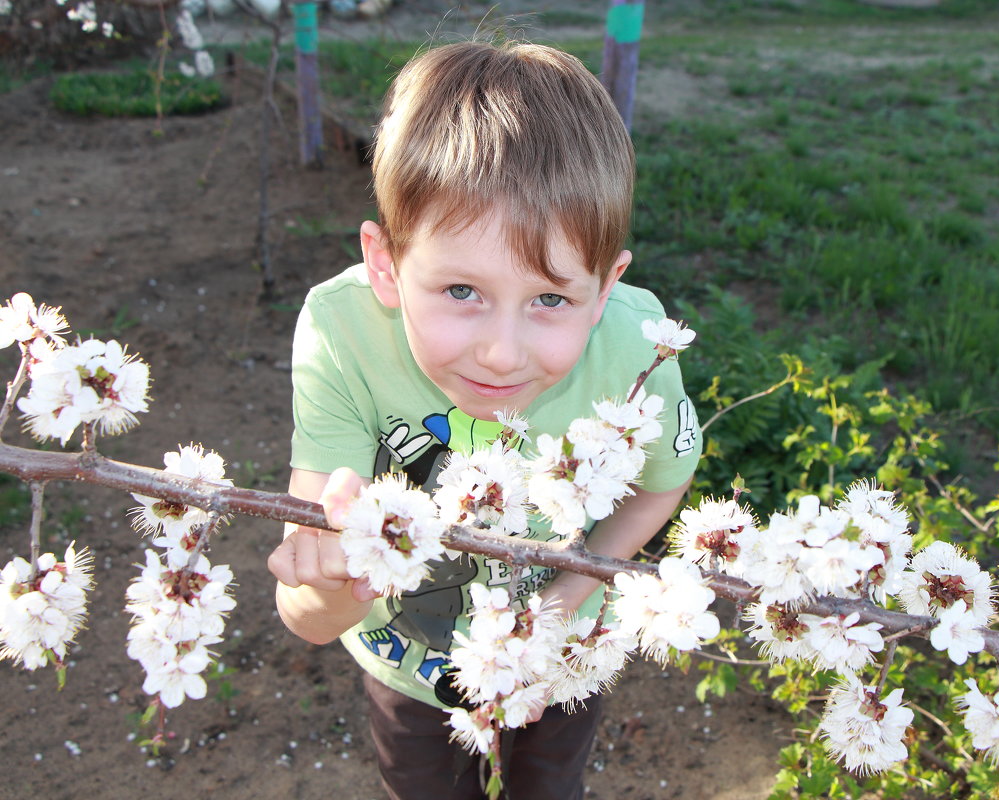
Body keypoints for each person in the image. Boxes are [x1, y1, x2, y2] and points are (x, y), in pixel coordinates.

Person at [266, 39, 702, 800]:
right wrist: (333, 578)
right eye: (461, 291)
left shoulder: (637, 351)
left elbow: (664, 481)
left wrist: (565, 599)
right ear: (386, 264)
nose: (502, 354)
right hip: (406, 657)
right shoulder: (340, 335)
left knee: (549, 785)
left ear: (605, 290)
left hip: (562, 649)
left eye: (551, 300)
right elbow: (308, 619)